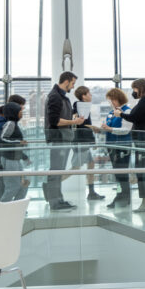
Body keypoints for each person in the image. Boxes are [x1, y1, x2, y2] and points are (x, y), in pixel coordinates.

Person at [115, 79, 145, 213]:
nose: (133, 92)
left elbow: (134, 117)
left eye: (134, 89)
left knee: (143, 169)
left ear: (140, 88)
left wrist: (121, 114)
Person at [44, 72, 85, 211]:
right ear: (66, 81)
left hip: (63, 138)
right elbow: (55, 120)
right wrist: (74, 121)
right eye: (72, 83)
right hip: (59, 138)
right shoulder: (55, 97)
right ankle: (55, 202)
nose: (73, 87)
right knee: (56, 171)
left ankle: (58, 200)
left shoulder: (60, 96)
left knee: (58, 171)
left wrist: (72, 117)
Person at [71, 85, 103, 201]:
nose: (91, 95)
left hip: (84, 140)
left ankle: (91, 192)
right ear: (83, 96)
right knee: (75, 168)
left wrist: (92, 138)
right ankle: (52, 186)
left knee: (91, 164)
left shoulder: (85, 106)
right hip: (81, 141)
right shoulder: (78, 105)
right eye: (89, 94)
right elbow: (79, 123)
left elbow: (84, 124)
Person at [102, 88, 133, 209]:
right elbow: (109, 127)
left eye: (112, 100)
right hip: (112, 145)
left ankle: (125, 196)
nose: (111, 103)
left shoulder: (127, 111)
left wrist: (110, 129)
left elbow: (126, 129)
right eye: (110, 100)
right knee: (117, 173)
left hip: (123, 145)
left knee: (122, 172)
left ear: (118, 99)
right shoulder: (112, 112)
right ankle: (121, 195)